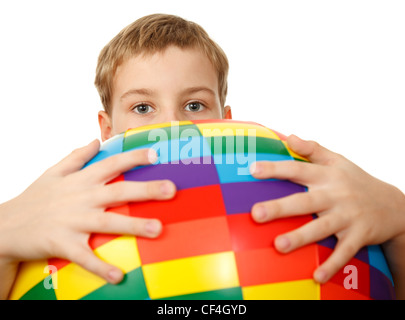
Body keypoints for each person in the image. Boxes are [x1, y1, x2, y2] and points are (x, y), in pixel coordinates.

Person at [0, 14, 404, 300]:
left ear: (226, 120)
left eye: (194, 105)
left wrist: (398, 219)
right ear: (107, 129)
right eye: (143, 108)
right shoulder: (61, 210)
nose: (173, 126)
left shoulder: (280, 182)